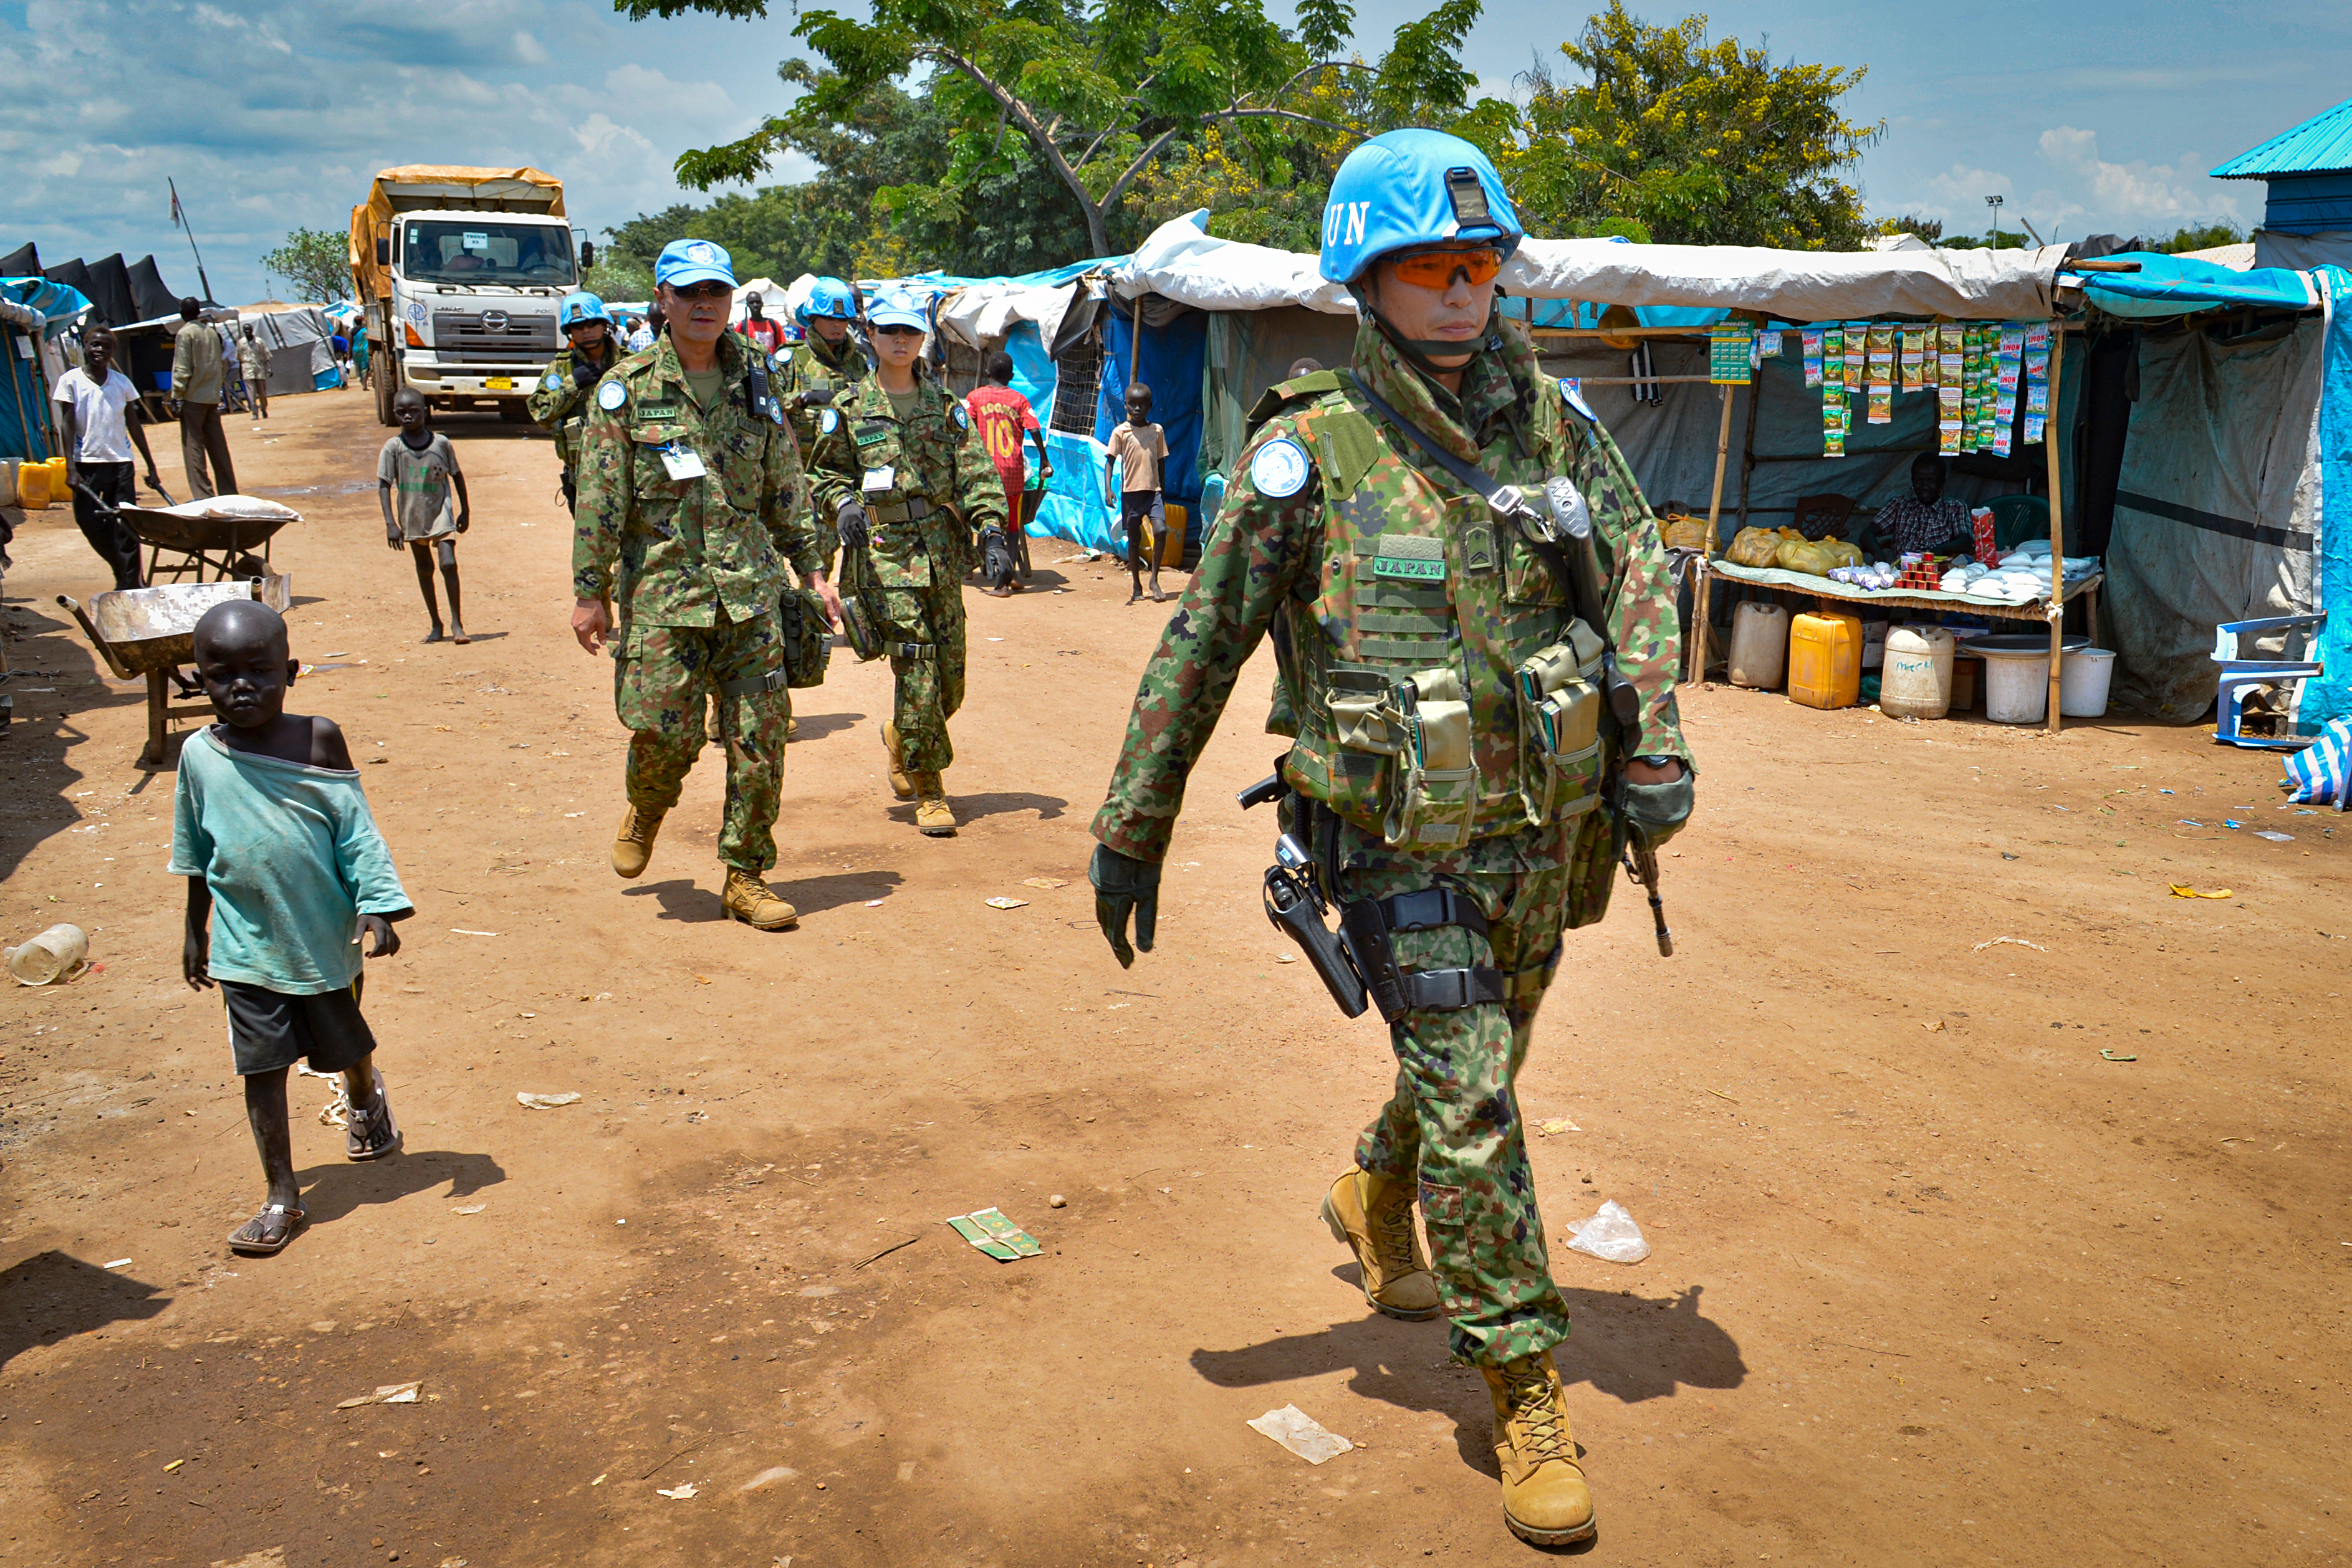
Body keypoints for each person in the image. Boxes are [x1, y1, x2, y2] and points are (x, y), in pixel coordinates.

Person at [1083, 128, 1694, 1549]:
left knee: (1471, 1063)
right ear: (1368, 279)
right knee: (1478, 1091)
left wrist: (1655, 738)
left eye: (1481, 266)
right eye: (1434, 267)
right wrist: (1135, 815)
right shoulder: (1308, 452)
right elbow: (1211, 632)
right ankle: (1524, 1384)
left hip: (1540, 828)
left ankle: (1374, 1189)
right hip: (1390, 834)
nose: (1466, 292)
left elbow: (1637, 580)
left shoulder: (1556, 433)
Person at [571, 237, 842, 930]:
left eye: (715, 292)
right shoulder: (625, 390)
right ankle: (648, 805)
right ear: (661, 298)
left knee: (762, 738)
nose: (704, 304)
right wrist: (588, 591)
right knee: (666, 738)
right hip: (664, 597)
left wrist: (811, 569)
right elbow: (600, 499)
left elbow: (785, 479)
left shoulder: (758, 379)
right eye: (689, 292)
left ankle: (745, 874)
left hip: (750, 593)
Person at [172, 599, 413, 1257]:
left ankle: (364, 1093)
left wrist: (377, 904)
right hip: (243, 944)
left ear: (292, 671)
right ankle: (282, 1194)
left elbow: (355, 831)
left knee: (342, 1046)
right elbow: (196, 849)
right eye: (220, 674)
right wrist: (195, 932)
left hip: (321, 936)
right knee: (263, 1066)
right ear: (197, 679)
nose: (240, 686)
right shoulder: (197, 755)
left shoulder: (317, 740)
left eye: (260, 670)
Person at [806, 286, 1003, 838]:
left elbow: (977, 473)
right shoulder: (848, 409)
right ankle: (931, 788)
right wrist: (842, 503)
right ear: (870, 335)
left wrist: (990, 529)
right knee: (916, 666)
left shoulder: (946, 407)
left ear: (922, 341)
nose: (900, 340)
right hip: (884, 555)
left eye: (910, 332)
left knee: (950, 682)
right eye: (889, 330)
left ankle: (902, 735)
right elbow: (823, 474)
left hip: (941, 551)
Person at [53, 326, 160, 590]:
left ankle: (131, 583)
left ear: (113, 352)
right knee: (88, 521)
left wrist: (151, 465)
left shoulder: (122, 383)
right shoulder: (71, 381)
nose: (100, 350)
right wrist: (70, 468)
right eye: (95, 345)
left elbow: (134, 426)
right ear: (85, 347)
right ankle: (122, 571)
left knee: (126, 527)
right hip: (86, 464)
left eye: (106, 346)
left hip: (121, 464)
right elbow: (67, 424)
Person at [378, 388, 471, 644]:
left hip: (441, 511)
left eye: (414, 411)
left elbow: (457, 476)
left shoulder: (441, 443)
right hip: (412, 515)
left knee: (448, 563)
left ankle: (457, 623)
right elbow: (384, 485)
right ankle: (435, 623)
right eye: (401, 413)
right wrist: (391, 524)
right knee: (425, 568)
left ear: (425, 411)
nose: (408, 416)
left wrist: (465, 510)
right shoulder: (393, 448)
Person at [964, 350, 1049, 594]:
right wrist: (1044, 459)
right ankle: (1008, 575)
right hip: (1012, 474)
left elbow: (964, 427)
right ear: (1012, 376)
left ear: (988, 373)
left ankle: (972, 567)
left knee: (974, 518)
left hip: (982, 475)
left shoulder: (975, 397)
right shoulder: (1019, 400)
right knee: (1013, 527)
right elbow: (1034, 429)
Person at [528, 291, 622, 512]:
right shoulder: (560, 369)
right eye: (578, 326)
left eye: (591, 323)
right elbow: (541, 415)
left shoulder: (628, 363)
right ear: (569, 331)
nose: (586, 330)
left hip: (626, 469)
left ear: (605, 324)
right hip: (582, 473)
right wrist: (572, 385)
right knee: (590, 542)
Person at [779, 277, 869, 466]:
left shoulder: (858, 362)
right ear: (812, 318)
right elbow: (770, 408)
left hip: (849, 471)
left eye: (842, 319)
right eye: (829, 318)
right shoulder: (792, 359)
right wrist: (803, 399)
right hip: (802, 470)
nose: (836, 325)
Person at [1102, 383, 1169, 604]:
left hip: (1154, 492)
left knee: (1160, 530)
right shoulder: (1120, 432)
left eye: (1142, 405)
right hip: (1131, 493)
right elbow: (1110, 461)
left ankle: (1154, 580)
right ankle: (1136, 585)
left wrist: (1163, 488)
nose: (1137, 409)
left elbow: (1161, 462)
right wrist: (1109, 488)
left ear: (1150, 406)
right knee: (1134, 540)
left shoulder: (1157, 431)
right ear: (1126, 406)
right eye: (1133, 405)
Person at [168, 297, 237, 498]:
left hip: (193, 398)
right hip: (212, 397)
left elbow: (182, 369)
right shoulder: (211, 333)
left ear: (182, 313)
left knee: (193, 447)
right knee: (218, 447)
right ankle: (229, 491)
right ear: (198, 312)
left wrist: (176, 396)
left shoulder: (185, 333)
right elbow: (220, 364)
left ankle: (203, 494)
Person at [1870, 452, 1974, 558]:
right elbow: (1868, 534)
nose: (1925, 486)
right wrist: (1880, 556)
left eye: (1931, 481)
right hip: (1900, 570)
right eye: (1919, 481)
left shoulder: (1955, 507)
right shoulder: (1899, 504)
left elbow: (1965, 541)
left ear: (1942, 483)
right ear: (1913, 481)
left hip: (1937, 571)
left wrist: (1942, 549)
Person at [238, 324, 271, 424]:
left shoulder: (259, 342)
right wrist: (240, 372)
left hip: (259, 370)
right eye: (246, 330)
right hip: (247, 370)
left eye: (249, 329)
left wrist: (269, 369)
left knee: (262, 393)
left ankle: (263, 409)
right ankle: (254, 413)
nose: (248, 331)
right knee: (251, 394)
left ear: (252, 330)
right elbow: (239, 358)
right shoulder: (241, 343)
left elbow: (267, 356)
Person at [736, 291, 785, 356]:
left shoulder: (774, 324)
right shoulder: (743, 325)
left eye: (757, 302)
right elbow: (735, 346)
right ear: (748, 305)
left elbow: (783, 346)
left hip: (772, 363)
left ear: (762, 304)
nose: (755, 305)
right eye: (752, 303)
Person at [350, 325, 372, 391]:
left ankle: (362, 381)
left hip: (356, 351)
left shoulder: (352, 331)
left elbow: (350, 342)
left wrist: (349, 354)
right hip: (364, 350)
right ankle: (365, 384)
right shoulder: (365, 330)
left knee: (359, 367)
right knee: (365, 367)